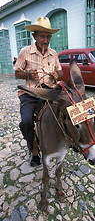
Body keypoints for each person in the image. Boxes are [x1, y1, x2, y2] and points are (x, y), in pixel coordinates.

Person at [15, 17, 63, 167]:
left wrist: (57, 75)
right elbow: (17, 72)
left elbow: (60, 73)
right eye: (42, 36)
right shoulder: (25, 52)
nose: (45, 40)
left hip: (50, 91)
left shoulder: (53, 53)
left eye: (48, 36)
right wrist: (28, 75)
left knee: (69, 111)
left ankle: (72, 141)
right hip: (31, 92)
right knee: (26, 122)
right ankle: (34, 150)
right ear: (34, 36)